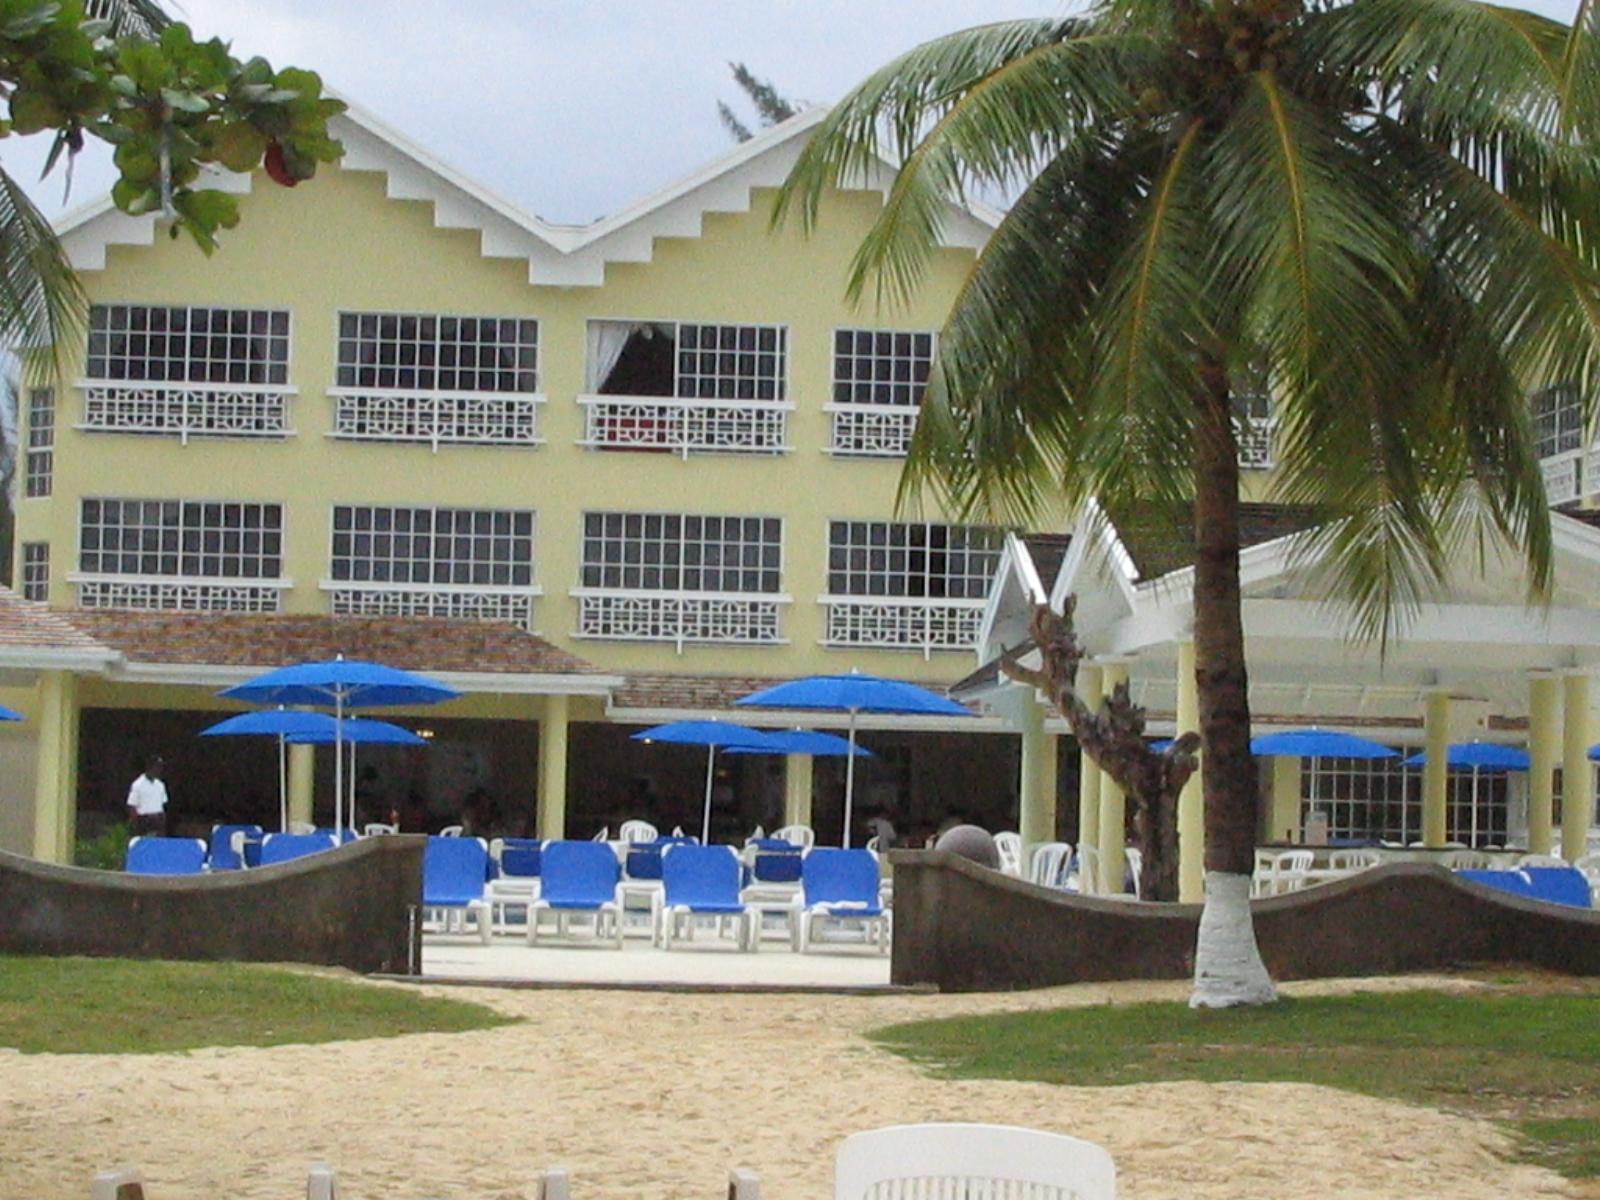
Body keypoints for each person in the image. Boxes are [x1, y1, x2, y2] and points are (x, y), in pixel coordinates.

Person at [125, 755, 169, 837]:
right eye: (158, 767)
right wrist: (136, 825)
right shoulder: (138, 784)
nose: (160, 770)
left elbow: (163, 804)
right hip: (144, 821)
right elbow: (132, 806)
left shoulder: (160, 785)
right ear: (150, 767)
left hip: (158, 821)